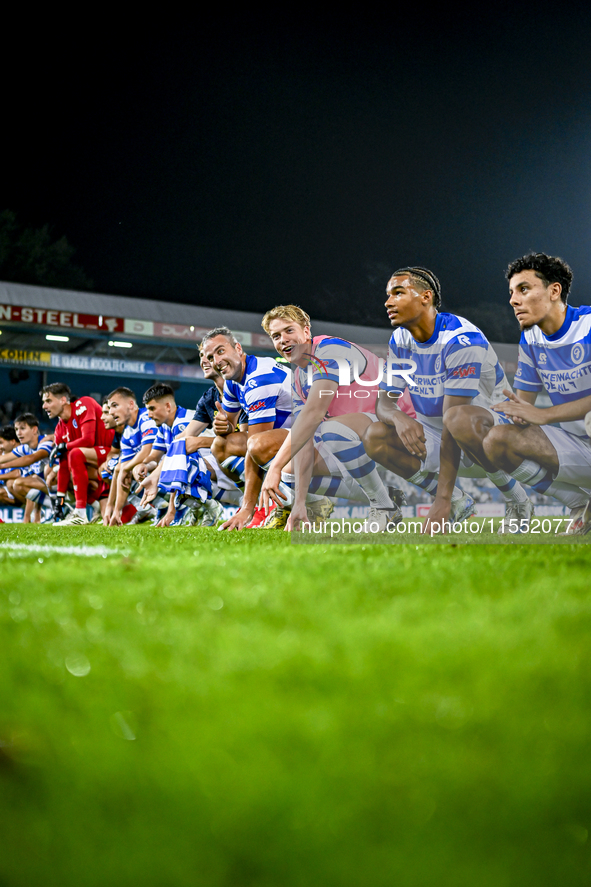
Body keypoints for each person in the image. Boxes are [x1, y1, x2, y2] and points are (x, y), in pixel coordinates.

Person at [361, 266, 531, 534]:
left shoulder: (461, 339)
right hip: (439, 430)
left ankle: (518, 501)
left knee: (458, 420)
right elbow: (383, 403)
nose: (388, 301)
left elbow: (454, 420)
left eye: (398, 292)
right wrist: (398, 416)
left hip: (491, 431)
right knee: (374, 436)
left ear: (425, 297)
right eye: (388, 295)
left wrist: (439, 501)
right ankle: (459, 502)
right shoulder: (400, 339)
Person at [259, 305, 406, 531]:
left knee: (331, 431)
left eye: (289, 331)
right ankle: (387, 498)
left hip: (403, 423)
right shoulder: (298, 377)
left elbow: (314, 413)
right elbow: (304, 439)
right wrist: (299, 504)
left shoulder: (329, 350)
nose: (283, 340)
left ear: (306, 331)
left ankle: (383, 505)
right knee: (291, 473)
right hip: (362, 434)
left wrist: (273, 467)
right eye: (276, 336)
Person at [482, 253, 591, 535]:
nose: (513, 300)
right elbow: (523, 406)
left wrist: (544, 414)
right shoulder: (531, 337)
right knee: (497, 439)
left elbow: (538, 413)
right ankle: (580, 504)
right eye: (511, 292)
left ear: (554, 291)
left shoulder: (588, 325)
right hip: (578, 447)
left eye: (524, 289)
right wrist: (505, 411)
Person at [199, 327, 293, 531]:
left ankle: (267, 505)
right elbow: (230, 427)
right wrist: (222, 425)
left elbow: (256, 446)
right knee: (220, 445)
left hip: (312, 442)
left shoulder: (259, 379)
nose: (216, 360)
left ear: (238, 348)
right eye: (210, 357)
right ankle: (265, 500)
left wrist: (247, 508)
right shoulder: (233, 381)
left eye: (220, 351)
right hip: (288, 442)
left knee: (257, 445)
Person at [41, 383, 114, 526]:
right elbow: (62, 464)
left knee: (74, 454)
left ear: (63, 400)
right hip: (95, 461)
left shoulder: (83, 404)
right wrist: (59, 501)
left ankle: (81, 513)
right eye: (43, 402)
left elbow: (88, 440)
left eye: (48, 401)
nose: (44, 406)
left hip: (113, 452)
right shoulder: (59, 429)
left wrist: (64, 446)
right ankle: (96, 508)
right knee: (60, 472)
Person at [104, 387, 158, 526]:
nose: (111, 412)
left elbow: (147, 451)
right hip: (157, 467)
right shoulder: (127, 433)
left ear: (131, 405)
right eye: (109, 408)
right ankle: (150, 507)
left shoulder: (147, 417)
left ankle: (177, 506)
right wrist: (114, 510)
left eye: (115, 405)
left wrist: (124, 469)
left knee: (135, 469)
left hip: (173, 460)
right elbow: (120, 468)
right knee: (115, 469)